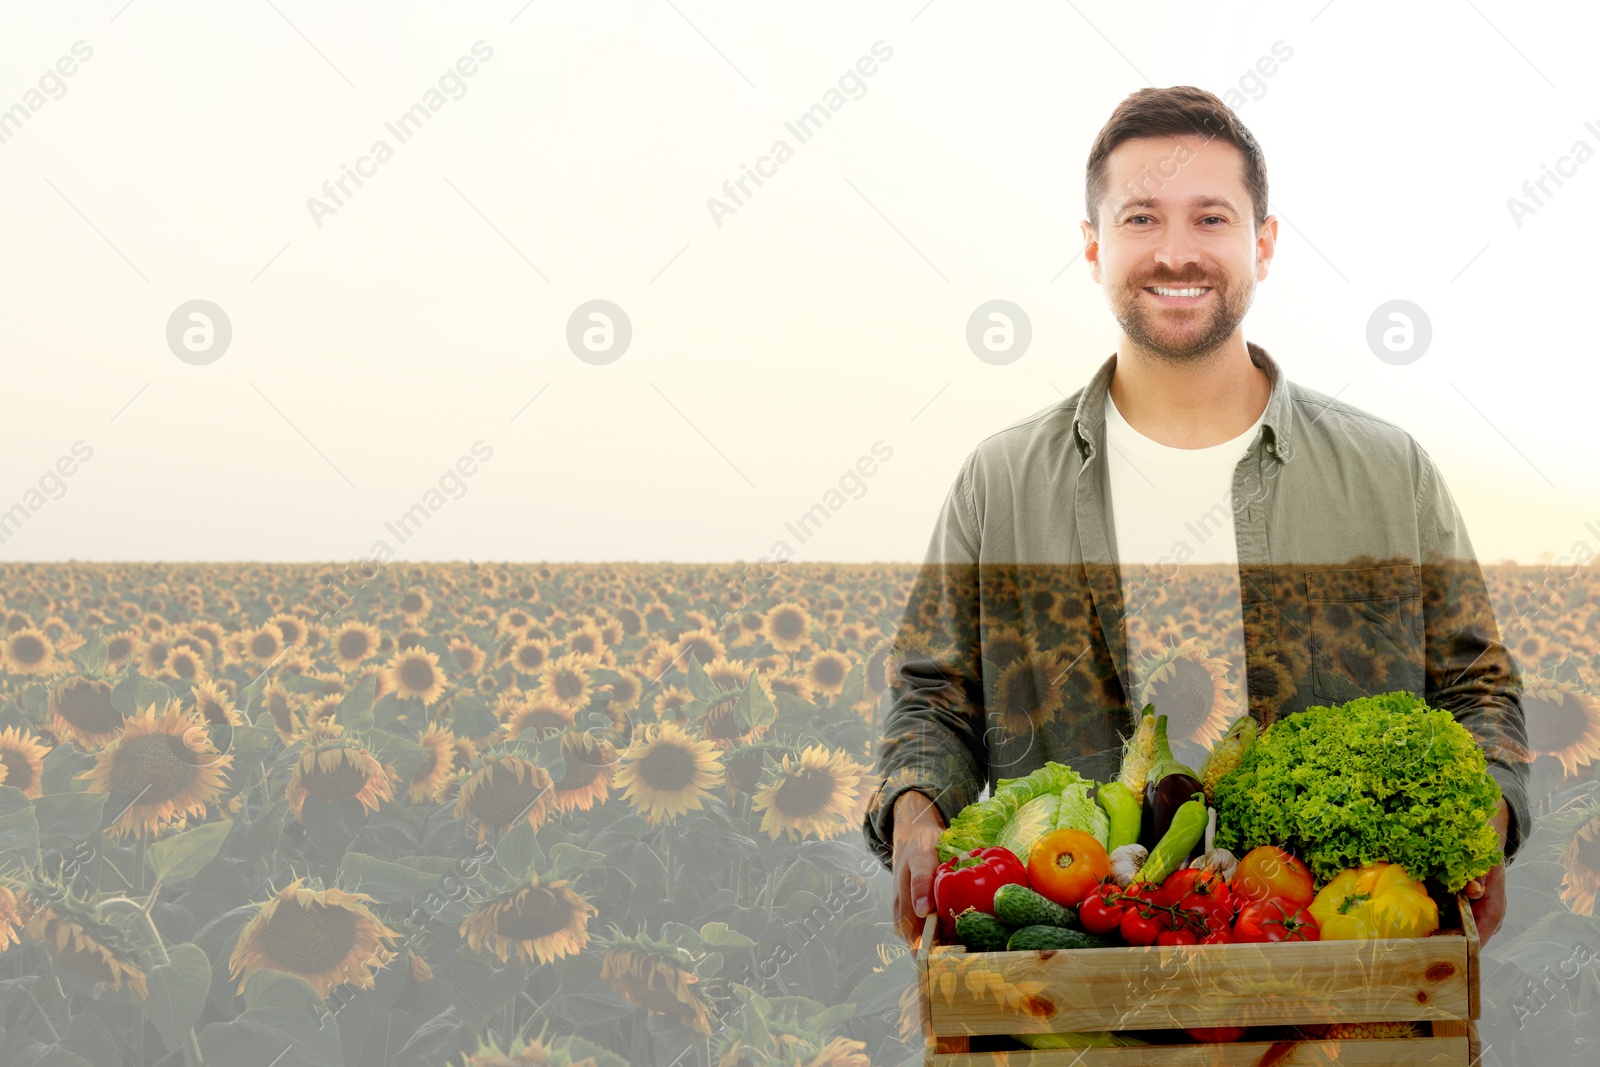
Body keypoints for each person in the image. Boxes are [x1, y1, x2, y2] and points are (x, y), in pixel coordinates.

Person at [862, 85, 1529, 950]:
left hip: (1344, 967)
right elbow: (933, 698)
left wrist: (1486, 812)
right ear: (1093, 247)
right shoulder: (1003, 481)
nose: (1176, 253)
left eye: (1211, 219)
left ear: (1264, 243)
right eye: (1141, 219)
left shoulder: (1387, 473)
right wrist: (917, 810)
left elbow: (1478, 686)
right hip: (1074, 987)